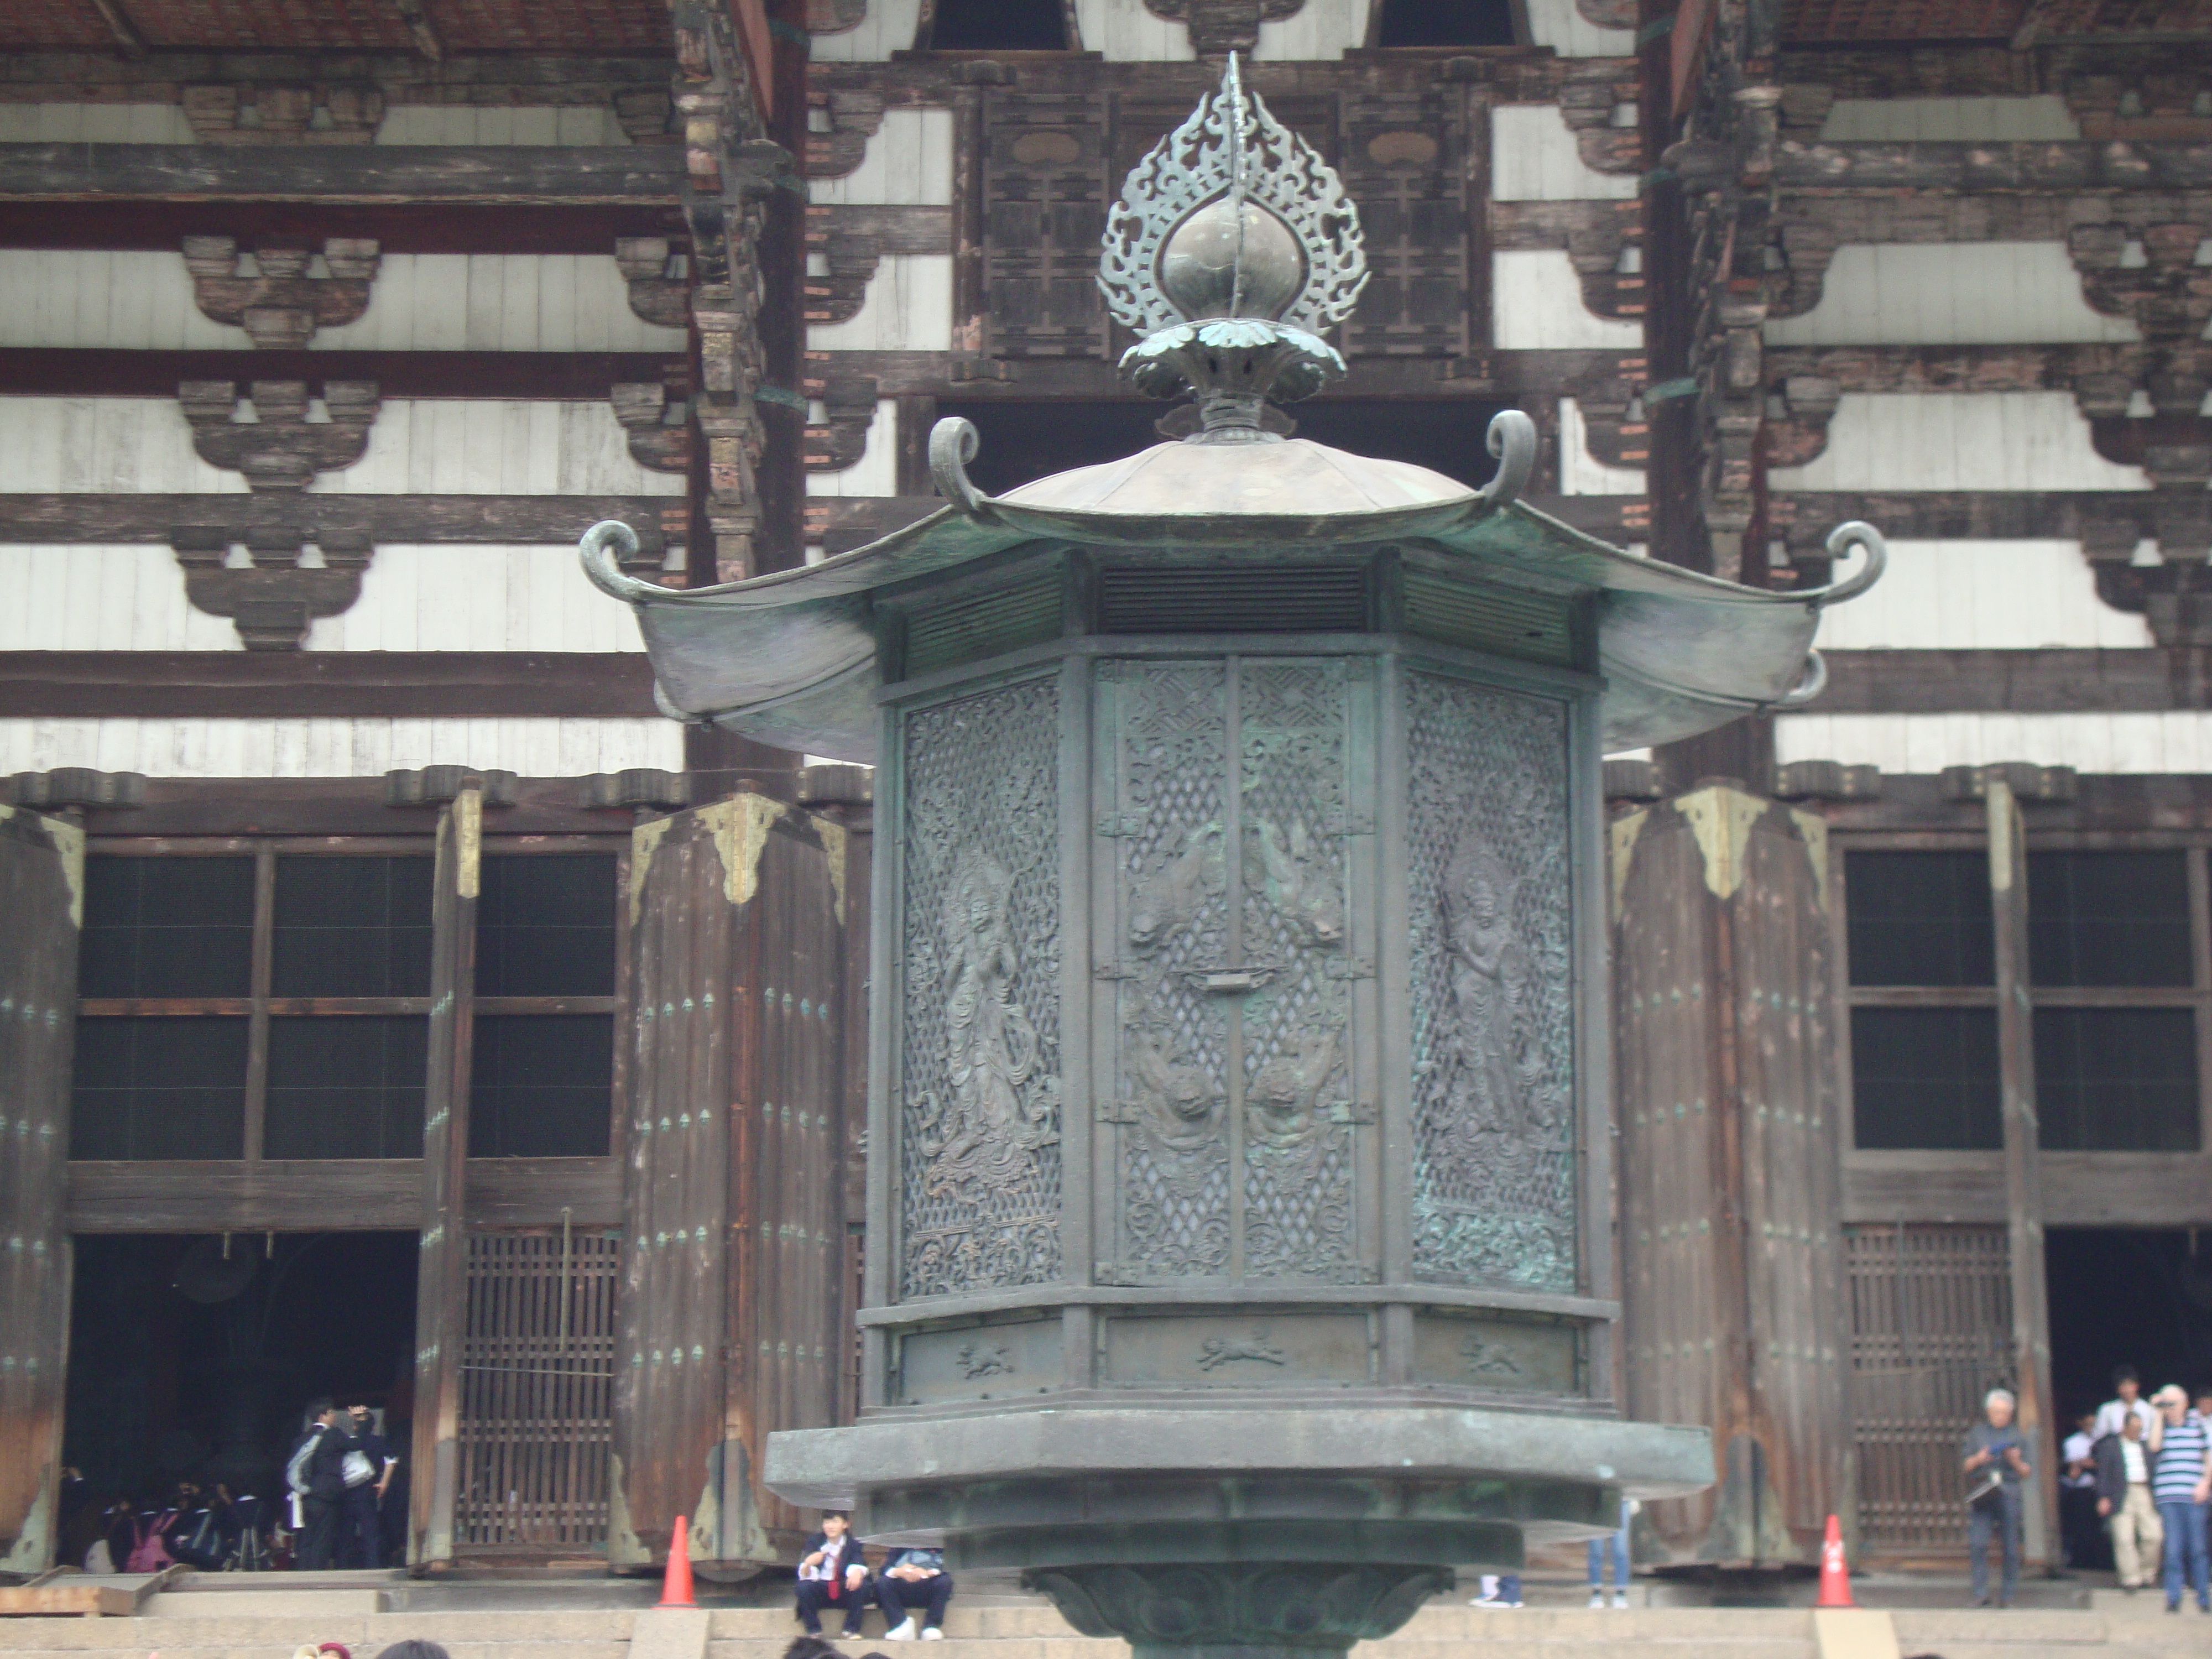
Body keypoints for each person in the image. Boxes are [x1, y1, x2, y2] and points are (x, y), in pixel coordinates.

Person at [1963, 1386, 2032, 1608]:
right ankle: (1981, 1593)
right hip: (1984, 1488)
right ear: (1988, 1412)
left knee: (2011, 1546)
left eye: (2004, 1412)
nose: (1999, 1416)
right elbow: (1966, 1465)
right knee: (1978, 1543)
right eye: (1996, 1412)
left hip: (2008, 1490)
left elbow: (2027, 1472)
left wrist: (2014, 1460)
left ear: (2010, 1413)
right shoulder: (1977, 1434)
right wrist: (1979, 1458)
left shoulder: (2017, 1436)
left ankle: (2008, 1596)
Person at [2151, 1384, 2212, 1613]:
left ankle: (2203, 1598)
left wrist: (2205, 1484)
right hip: (2169, 1497)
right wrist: (2158, 1413)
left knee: (2198, 1549)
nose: (2170, 1408)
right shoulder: (2161, 1426)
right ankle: (2173, 1598)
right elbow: (2154, 1446)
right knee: (2173, 1549)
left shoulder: (2198, 1426)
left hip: (2194, 1496)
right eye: (2167, 1403)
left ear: (2185, 1404)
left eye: (2173, 1403)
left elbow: (2209, 1458)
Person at [2096, 1407, 2163, 1592]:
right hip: (2120, 1493)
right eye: (2134, 1429)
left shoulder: (2145, 1446)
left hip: (2144, 1491)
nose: (2137, 1432)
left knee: (2154, 1535)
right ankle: (2131, 1578)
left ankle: (2147, 1574)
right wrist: (2103, 1497)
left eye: (2140, 1429)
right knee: (2124, 1537)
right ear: (2124, 1428)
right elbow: (2103, 1474)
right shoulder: (2111, 1446)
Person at [286, 1398, 353, 1570]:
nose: (334, 1416)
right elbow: (356, 1445)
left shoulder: (301, 1439)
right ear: (322, 1416)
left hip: (306, 1495)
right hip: (327, 1494)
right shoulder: (333, 1435)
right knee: (322, 1538)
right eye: (331, 1413)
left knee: (306, 1536)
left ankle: (302, 1571)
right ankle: (316, 1573)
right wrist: (361, 1422)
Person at [796, 1512, 870, 1638]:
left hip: (843, 1586)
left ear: (846, 1524)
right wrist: (808, 1564)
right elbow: (804, 1574)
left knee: (862, 1585)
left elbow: (858, 1562)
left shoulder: (853, 1544)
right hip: (821, 1586)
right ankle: (814, 1630)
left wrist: (857, 1572)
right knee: (804, 1587)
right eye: (827, 1522)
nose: (830, 1526)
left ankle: (851, 1629)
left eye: (835, 1522)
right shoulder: (815, 1542)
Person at [342, 1404, 397, 1568]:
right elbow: (392, 1460)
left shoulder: (348, 1443)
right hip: (368, 1491)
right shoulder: (378, 1442)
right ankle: (373, 1567)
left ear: (355, 1426)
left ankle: (342, 1568)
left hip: (346, 1493)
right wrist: (384, 1483)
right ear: (373, 1427)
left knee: (345, 1535)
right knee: (371, 1534)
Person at [2062, 1412, 2106, 1571]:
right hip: (2081, 1489)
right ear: (2080, 1423)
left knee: (2102, 1528)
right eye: (2088, 1424)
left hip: (2101, 1489)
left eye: (2094, 1424)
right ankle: (2082, 1561)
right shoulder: (2072, 1442)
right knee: (2082, 1528)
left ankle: (2103, 1562)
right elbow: (2071, 1468)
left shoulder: (2103, 1441)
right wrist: (2082, 1464)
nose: (2091, 1428)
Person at [877, 1546, 951, 1640]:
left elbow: (946, 1567)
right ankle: (900, 1624)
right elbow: (885, 1569)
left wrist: (927, 1572)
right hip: (902, 1587)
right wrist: (899, 1572)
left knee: (944, 1581)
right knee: (883, 1583)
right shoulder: (899, 1548)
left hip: (927, 1587)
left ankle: (931, 1626)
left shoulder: (938, 1547)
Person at [2098, 1368, 2162, 1449]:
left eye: (2130, 1385)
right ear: (2117, 1389)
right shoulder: (2107, 1410)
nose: (2127, 1390)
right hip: (2116, 1452)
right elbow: (2099, 1437)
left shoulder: (2149, 1409)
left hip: (2143, 1451)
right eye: (2123, 1386)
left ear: (2137, 1386)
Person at [1587, 1495, 1632, 1608]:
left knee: (1621, 1550)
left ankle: (1621, 1593)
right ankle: (1596, 1593)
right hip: (1596, 1499)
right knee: (1596, 1550)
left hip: (1622, 1499)